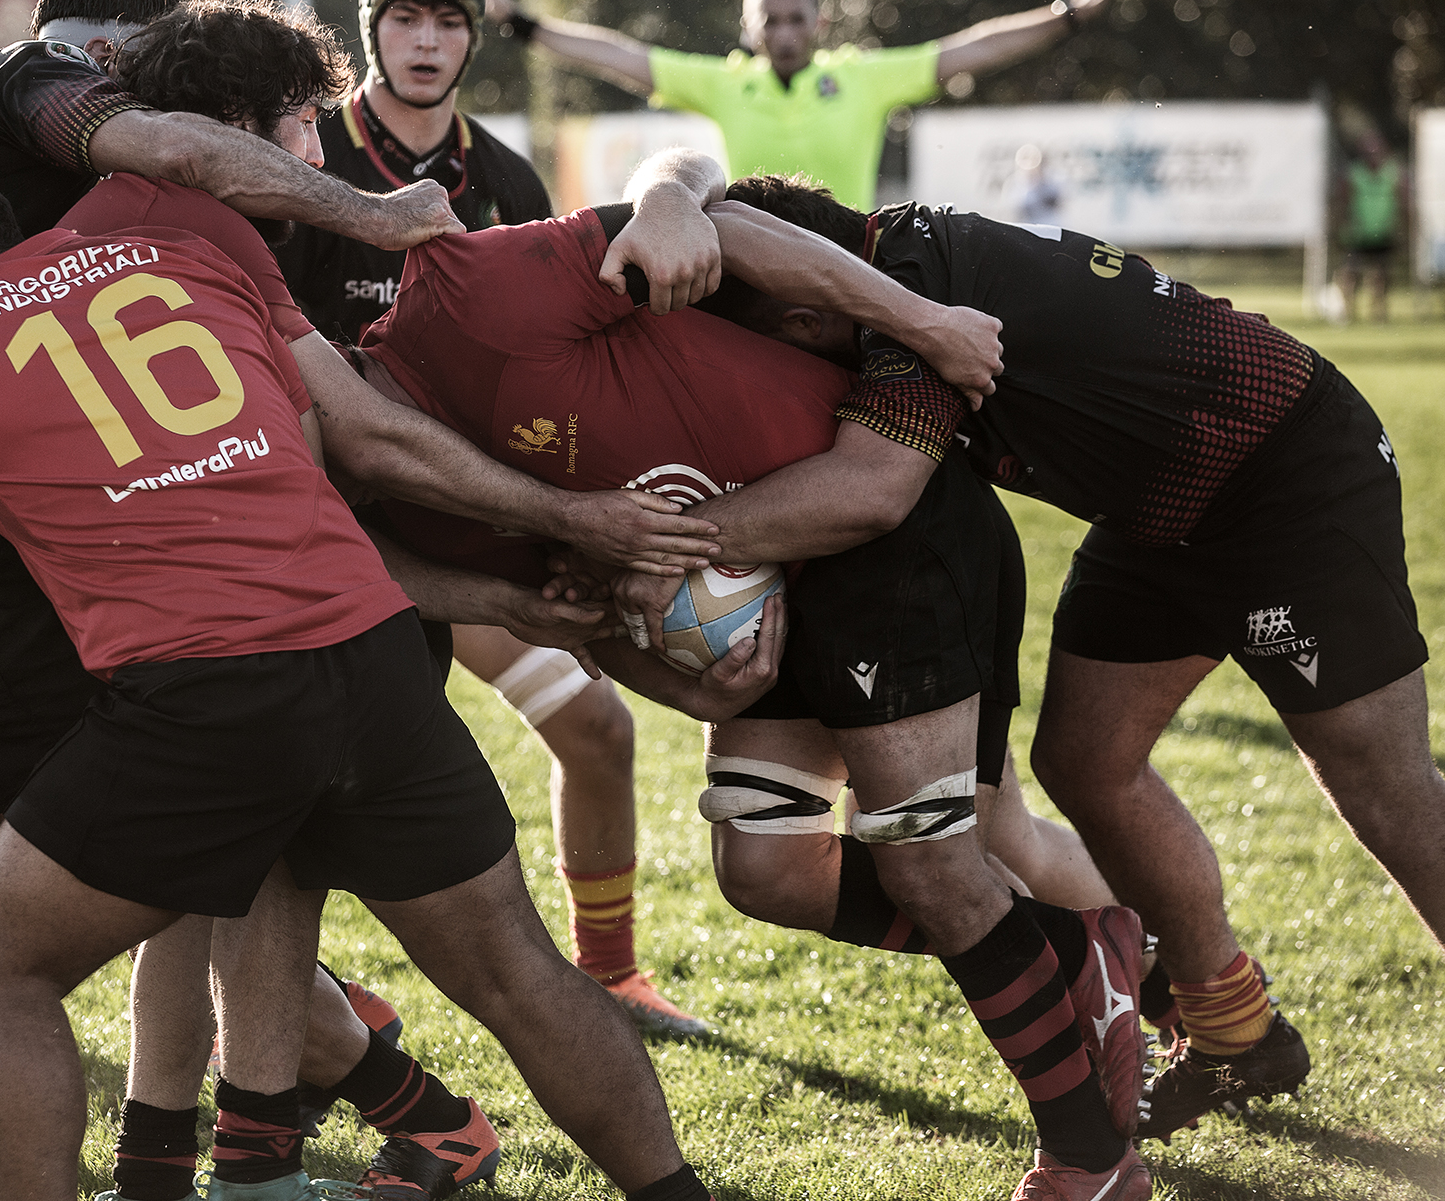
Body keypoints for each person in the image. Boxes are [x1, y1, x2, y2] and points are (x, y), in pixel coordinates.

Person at [0, 149, 730, 1201]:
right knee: (518, 970)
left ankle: (202, 1163)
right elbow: (309, 450)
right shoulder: (180, 258)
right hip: (374, 652)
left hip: (205, 692)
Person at [357, 175, 1153, 1201]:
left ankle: (1089, 1156)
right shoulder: (414, 515)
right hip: (772, 585)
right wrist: (694, 691)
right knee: (765, 871)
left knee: (933, 868)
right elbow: (595, 613)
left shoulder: (468, 295)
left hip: (881, 529)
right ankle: (1075, 948)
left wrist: (913, 318)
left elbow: (707, 218)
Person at [667, 167, 1445, 1147]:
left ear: (801, 315)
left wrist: (648, 546)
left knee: (1387, 789)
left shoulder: (905, 302)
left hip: (1288, 474)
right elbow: (695, 180)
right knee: (1084, 761)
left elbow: (870, 491)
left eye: (752, 350)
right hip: (1163, 512)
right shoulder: (893, 262)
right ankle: (1235, 1028)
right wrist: (667, 204)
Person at [277, 0, 701, 1035]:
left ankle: (613, 974)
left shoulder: (503, 176)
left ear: (474, 35)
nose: (425, 41)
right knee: (320, 779)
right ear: (371, 25)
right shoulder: (305, 154)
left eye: (448, 21)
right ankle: (296, 1003)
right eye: (405, 18)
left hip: (467, 511)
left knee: (600, 729)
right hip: (331, 527)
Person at [484, 0, 1126, 209]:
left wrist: (1069, 14)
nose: (785, 34)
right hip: (755, 274)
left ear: (820, 24)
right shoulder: (726, 83)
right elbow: (618, 54)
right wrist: (519, 22)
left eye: (797, 20)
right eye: (771, 21)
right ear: (749, 28)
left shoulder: (863, 78)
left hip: (856, 269)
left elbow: (971, 49)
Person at [1337, 129, 1407, 323]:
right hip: (1358, 233)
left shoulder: (1393, 173)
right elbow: (1343, 202)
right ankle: (1348, 313)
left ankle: (1379, 314)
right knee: (1350, 272)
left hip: (1383, 231)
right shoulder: (1354, 174)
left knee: (1381, 275)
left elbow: (1403, 202)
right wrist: (1342, 227)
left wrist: (1402, 230)